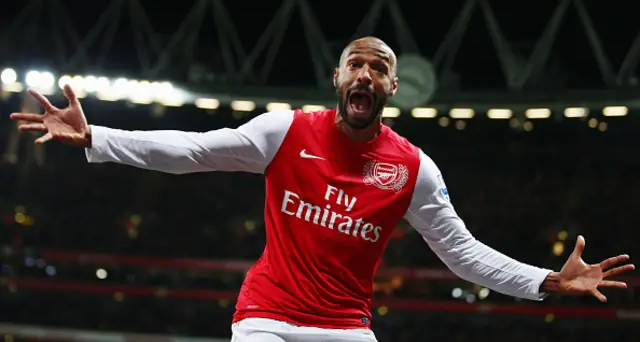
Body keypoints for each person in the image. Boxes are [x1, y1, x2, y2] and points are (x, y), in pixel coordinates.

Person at [10, 37, 634, 342]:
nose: (366, 73)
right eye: (356, 64)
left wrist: (546, 281)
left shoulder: (414, 170)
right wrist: (98, 137)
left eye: (380, 68)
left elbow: (463, 253)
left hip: (344, 327)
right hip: (265, 318)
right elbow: (194, 150)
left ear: (393, 89)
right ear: (338, 77)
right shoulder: (285, 131)